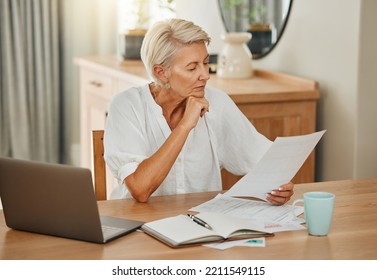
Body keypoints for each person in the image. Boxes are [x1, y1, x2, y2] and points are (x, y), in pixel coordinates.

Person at [104, 18, 294, 205]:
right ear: (161, 72)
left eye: (205, 63)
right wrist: (185, 125)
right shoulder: (126, 106)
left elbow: (265, 160)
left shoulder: (217, 103)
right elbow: (140, 188)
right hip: (137, 227)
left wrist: (279, 186)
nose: (205, 75)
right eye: (192, 68)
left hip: (201, 224)